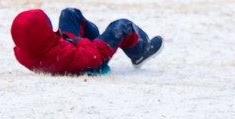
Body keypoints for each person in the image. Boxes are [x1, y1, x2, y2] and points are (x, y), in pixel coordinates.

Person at [11, 8, 164, 75]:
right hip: (90, 62)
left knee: (69, 13)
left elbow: (44, 43)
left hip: (65, 50)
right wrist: (79, 42)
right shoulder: (64, 55)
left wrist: (69, 40)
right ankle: (140, 52)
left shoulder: (23, 52)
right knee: (122, 25)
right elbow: (92, 56)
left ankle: (93, 36)